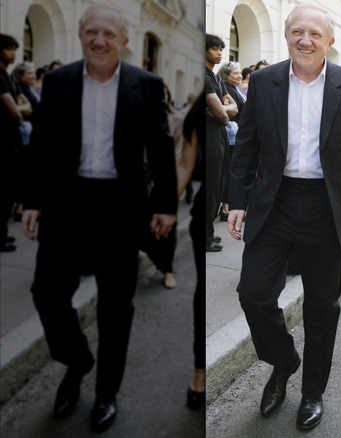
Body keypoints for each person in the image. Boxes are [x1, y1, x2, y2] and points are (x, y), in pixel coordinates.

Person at [19, 4, 177, 432]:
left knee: (116, 308)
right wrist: (31, 201)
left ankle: (106, 392)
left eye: (109, 33)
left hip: (119, 209)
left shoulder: (145, 85)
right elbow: (42, 148)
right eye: (91, 32)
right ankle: (77, 359)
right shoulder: (59, 81)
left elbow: (161, 149)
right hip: (65, 204)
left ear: (123, 41)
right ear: (81, 37)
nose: (99, 40)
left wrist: (165, 205)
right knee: (47, 294)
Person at [226, 4, 341, 430]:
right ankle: (283, 360)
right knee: (253, 293)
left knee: (322, 305)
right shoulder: (264, 80)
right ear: (287, 36)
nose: (305, 40)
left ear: (330, 41)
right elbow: (248, 145)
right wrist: (236, 199)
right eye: (297, 31)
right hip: (273, 201)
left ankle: (312, 391)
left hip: (325, 204)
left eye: (315, 33)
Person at [175, 90, 207, 408]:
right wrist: (163, 209)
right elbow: (185, 165)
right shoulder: (197, 111)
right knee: (202, 294)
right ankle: (200, 369)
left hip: (244, 204)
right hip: (203, 210)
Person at [140, 83, 184, 289]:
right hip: (140, 183)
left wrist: (168, 181)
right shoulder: (137, 117)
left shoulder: (176, 120)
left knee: (166, 230)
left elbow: (178, 152)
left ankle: (167, 270)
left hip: (164, 183)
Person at [204, 34, 237, 252]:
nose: (219, 52)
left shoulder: (215, 77)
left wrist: (221, 110)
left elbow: (233, 108)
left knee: (217, 185)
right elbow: (225, 114)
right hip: (207, 136)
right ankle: (204, 237)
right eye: (215, 48)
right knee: (209, 186)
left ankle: (208, 233)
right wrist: (222, 111)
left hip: (219, 134)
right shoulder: (204, 77)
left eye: (221, 49)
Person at [1, 34, 30, 252]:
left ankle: (2, 234)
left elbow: (24, 104)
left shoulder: (9, 77)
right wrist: (19, 110)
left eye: (14, 49)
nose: (13, 53)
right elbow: (15, 111)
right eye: (9, 49)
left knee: (9, 192)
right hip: (2, 142)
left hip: (12, 141)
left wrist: (19, 108)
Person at [217, 61, 245, 221]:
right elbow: (231, 113)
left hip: (238, 134)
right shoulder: (227, 90)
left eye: (240, 72)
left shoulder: (235, 89)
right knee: (230, 172)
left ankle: (227, 206)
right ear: (227, 76)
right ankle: (226, 208)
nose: (239, 76)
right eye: (235, 73)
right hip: (232, 136)